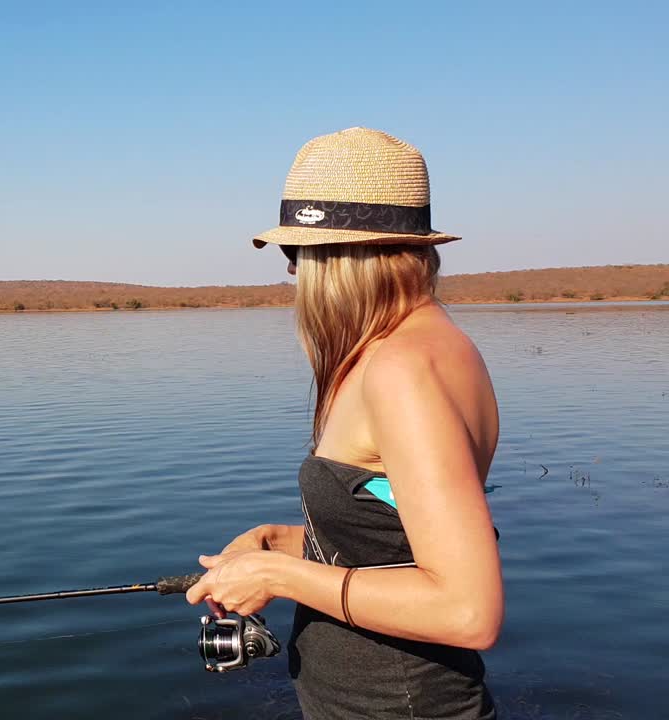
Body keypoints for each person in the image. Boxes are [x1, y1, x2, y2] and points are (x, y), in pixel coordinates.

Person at [186, 127, 502, 719]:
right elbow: (393, 539)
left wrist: (279, 577)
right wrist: (278, 542)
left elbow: (467, 611)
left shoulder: (403, 368)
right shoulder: (428, 346)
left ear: (341, 256)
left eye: (297, 253)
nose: (292, 272)